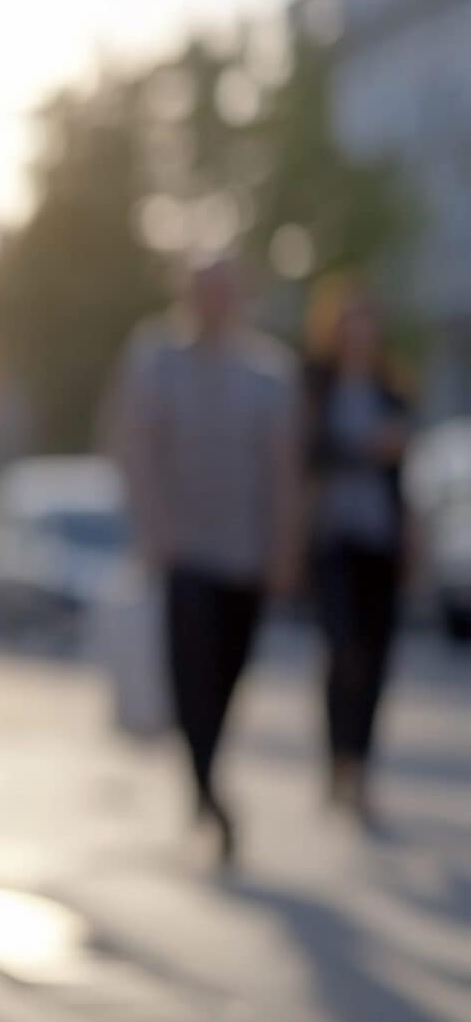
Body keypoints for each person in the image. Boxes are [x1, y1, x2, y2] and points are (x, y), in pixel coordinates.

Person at [108, 259, 303, 868]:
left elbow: (283, 469)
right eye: (204, 291)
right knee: (190, 674)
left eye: (225, 292)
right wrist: (151, 528)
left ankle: (205, 777)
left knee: (226, 677)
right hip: (183, 550)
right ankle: (208, 792)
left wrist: (284, 547)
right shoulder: (156, 359)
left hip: (244, 553)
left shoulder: (268, 373)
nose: (214, 302)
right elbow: (132, 444)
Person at [302, 277, 412, 826]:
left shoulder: (392, 391)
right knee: (342, 651)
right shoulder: (317, 388)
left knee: (375, 658)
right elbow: (307, 453)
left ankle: (362, 766)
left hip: (380, 542)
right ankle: (337, 760)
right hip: (332, 541)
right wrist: (363, 448)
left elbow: (402, 478)